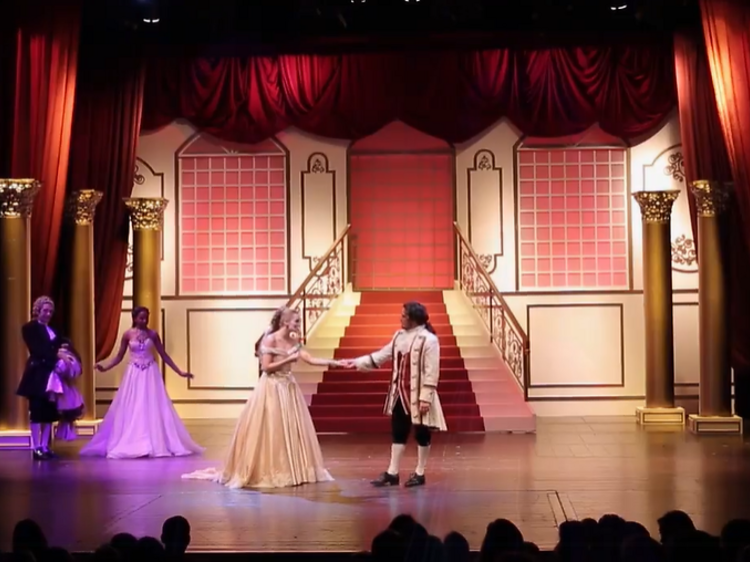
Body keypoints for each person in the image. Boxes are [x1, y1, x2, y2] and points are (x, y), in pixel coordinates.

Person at [182, 307, 341, 488]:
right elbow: (266, 367)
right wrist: (288, 360)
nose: (299, 325)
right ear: (285, 322)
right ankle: (269, 469)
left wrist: (333, 362)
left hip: (288, 388)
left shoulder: (293, 340)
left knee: (289, 429)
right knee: (271, 429)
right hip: (272, 388)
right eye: (296, 321)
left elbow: (310, 359)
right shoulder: (271, 339)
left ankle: (292, 469)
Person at [340, 301, 446, 487]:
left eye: (404, 315)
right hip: (399, 393)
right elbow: (382, 355)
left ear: (414, 319)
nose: (401, 318)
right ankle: (392, 472)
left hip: (418, 394)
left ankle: (420, 472)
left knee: (422, 433)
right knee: (398, 431)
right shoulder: (399, 336)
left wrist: (426, 397)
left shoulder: (428, 339)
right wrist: (357, 362)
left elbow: (432, 370)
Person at [80, 306, 203, 459]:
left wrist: (180, 372)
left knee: (151, 405)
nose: (144, 321)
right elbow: (119, 356)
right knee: (133, 405)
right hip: (134, 373)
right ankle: (134, 440)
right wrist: (105, 367)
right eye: (141, 318)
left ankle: (153, 441)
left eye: (146, 318)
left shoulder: (153, 334)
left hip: (150, 373)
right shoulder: (127, 334)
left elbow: (164, 355)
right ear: (134, 318)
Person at [16, 296, 66, 460]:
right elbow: (38, 349)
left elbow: (61, 345)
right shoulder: (30, 328)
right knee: (37, 411)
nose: (48, 314)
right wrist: (56, 358)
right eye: (45, 310)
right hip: (37, 373)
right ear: (37, 310)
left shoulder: (54, 331)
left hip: (52, 375)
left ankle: (45, 446)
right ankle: (36, 446)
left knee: (49, 412)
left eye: (50, 311)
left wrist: (65, 358)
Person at [46, 344, 85, 441]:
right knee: (68, 414)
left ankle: (63, 434)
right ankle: (66, 433)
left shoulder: (64, 359)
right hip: (70, 388)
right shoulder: (74, 359)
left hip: (62, 388)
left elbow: (59, 370)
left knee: (63, 413)